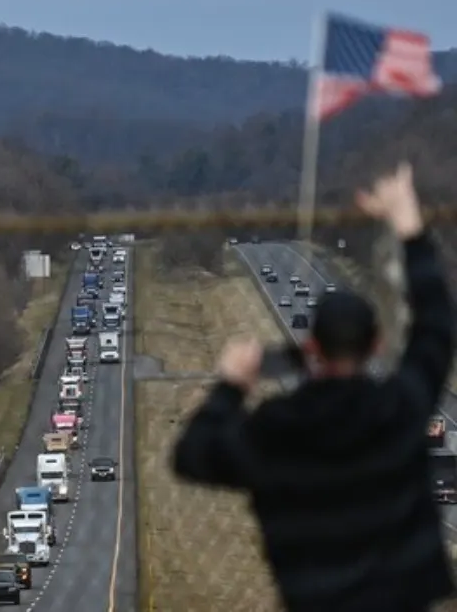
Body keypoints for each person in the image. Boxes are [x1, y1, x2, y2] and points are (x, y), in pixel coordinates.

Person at [172, 163, 456, 612]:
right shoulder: (400, 408)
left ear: (311, 348)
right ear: (377, 345)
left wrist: (230, 386)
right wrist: (408, 223)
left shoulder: (274, 430)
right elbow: (436, 324)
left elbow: (190, 457)